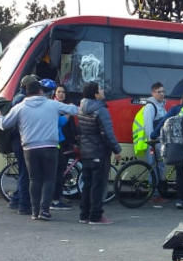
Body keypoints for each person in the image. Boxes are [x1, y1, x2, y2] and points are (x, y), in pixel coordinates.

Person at [0, 79, 78, 221]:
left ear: (26, 92)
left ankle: (34, 212)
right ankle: (45, 211)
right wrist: (72, 105)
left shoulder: (20, 107)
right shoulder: (52, 104)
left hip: (30, 148)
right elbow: (74, 110)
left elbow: (4, 125)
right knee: (49, 179)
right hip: (50, 147)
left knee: (34, 179)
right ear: (40, 90)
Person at [76, 82, 122, 225]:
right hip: (99, 152)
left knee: (87, 185)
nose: (103, 91)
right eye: (100, 89)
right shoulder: (101, 110)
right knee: (98, 186)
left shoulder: (81, 108)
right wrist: (117, 150)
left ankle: (84, 215)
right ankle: (96, 216)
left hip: (86, 152)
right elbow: (108, 133)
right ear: (96, 94)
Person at [8, 75, 38, 215]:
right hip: (21, 140)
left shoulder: (18, 97)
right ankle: (21, 203)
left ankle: (16, 199)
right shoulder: (22, 100)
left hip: (17, 140)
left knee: (23, 172)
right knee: (25, 173)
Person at [132, 82, 168, 202]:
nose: (162, 94)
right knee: (153, 167)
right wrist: (152, 142)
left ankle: (158, 193)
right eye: (159, 92)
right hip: (153, 143)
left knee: (160, 167)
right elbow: (148, 127)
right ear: (153, 93)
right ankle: (154, 194)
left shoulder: (161, 106)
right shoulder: (150, 106)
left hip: (160, 142)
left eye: (163, 91)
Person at [163, 91, 183, 209]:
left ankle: (180, 200)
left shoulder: (176, 109)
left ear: (182, 100)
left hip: (178, 147)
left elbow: (164, 122)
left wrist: (154, 134)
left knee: (180, 174)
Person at [50, 84, 76, 210]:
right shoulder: (54, 107)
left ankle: (57, 196)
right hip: (57, 143)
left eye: (63, 92)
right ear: (54, 93)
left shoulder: (65, 107)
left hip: (65, 143)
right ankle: (55, 199)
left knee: (61, 172)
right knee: (57, 172)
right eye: (59, 91)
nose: (61, 94)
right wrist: (68, 114)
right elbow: (60, 123)